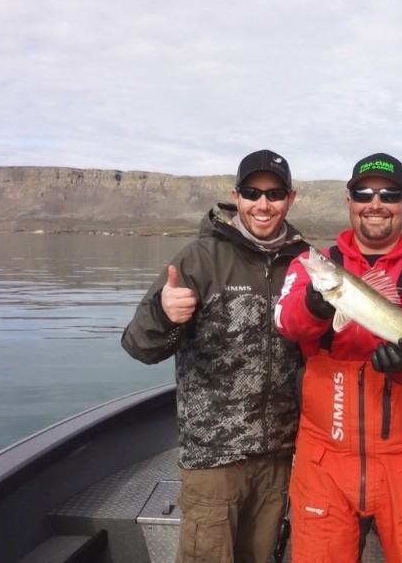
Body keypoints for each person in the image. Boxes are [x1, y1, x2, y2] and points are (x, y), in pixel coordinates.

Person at [276, 153, 402, 562]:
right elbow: (286, 322)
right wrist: (313, 306)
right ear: (349, 202)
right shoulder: (314, 265)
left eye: (389, 195)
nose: (375, 203)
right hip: (323, 460)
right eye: (363, 193)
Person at [122, 149, 310, 563]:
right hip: (213, 459)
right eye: (252, 193)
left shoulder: (307, 264)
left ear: (290, 198)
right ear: (236, 195)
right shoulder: (198, 258)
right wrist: (163, 315)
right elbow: (138, 345)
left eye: (275, 194)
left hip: (280, 457)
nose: (263, 204)